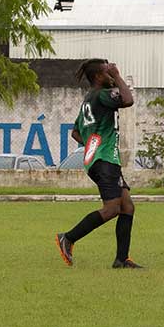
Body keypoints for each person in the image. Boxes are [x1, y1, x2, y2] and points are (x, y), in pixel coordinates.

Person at [55, 59, 141, 269]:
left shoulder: (88, 100)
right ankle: (68, 237)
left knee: (127, 206)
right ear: (97, 77)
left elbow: (75, 131)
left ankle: (122, 259)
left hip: (100, 158)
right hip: (104, 160)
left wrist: (91, 143)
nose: (110, 74)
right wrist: (118, 76)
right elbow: (128, 100)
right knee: (112, 209)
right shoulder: (103, 95)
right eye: (107, 71)